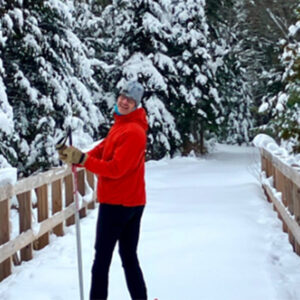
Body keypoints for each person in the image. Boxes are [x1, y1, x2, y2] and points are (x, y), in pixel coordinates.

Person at [57, 81, 148, 300]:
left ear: (136, 104)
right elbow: (102, 150)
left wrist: (84, 161)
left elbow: (115, 169)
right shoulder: (122, 125)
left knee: (102, 260)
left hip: (119, 204)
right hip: (129, 202)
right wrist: (78, 156)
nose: (124, 102)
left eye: (130, 100)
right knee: (128, 256)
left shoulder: (134, 132)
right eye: (123, 97)